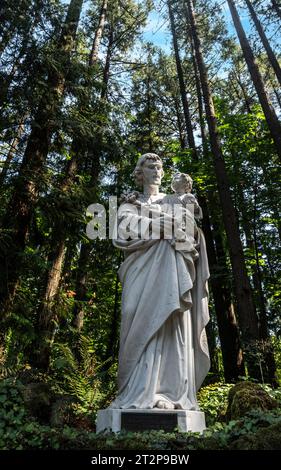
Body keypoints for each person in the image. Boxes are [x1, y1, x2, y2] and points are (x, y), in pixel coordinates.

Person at [110, 153, 210, 410]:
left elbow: (190, 230)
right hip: (139, 268)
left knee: (170, 320)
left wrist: (178, 220)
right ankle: (134, 391)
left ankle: (167, 391)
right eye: (150, 166)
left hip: (171, 268)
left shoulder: (174, 200)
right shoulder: (129, 203)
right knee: (133, 311)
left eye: (159, 166)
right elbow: (123, 229)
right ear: (140, 172)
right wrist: (165, 224)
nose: (156, 170)